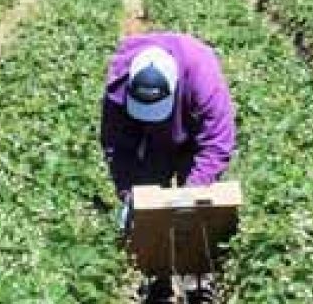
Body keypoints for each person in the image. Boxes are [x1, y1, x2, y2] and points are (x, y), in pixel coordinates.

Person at [98, 32, 236, 213]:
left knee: (194, 210)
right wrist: (128, 191)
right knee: (147, 201)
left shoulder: (203, 77)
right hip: (152, 140)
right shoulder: (120, 81)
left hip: (191, 129)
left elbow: (217, 144)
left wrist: (192, 192)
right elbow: (116, 145)